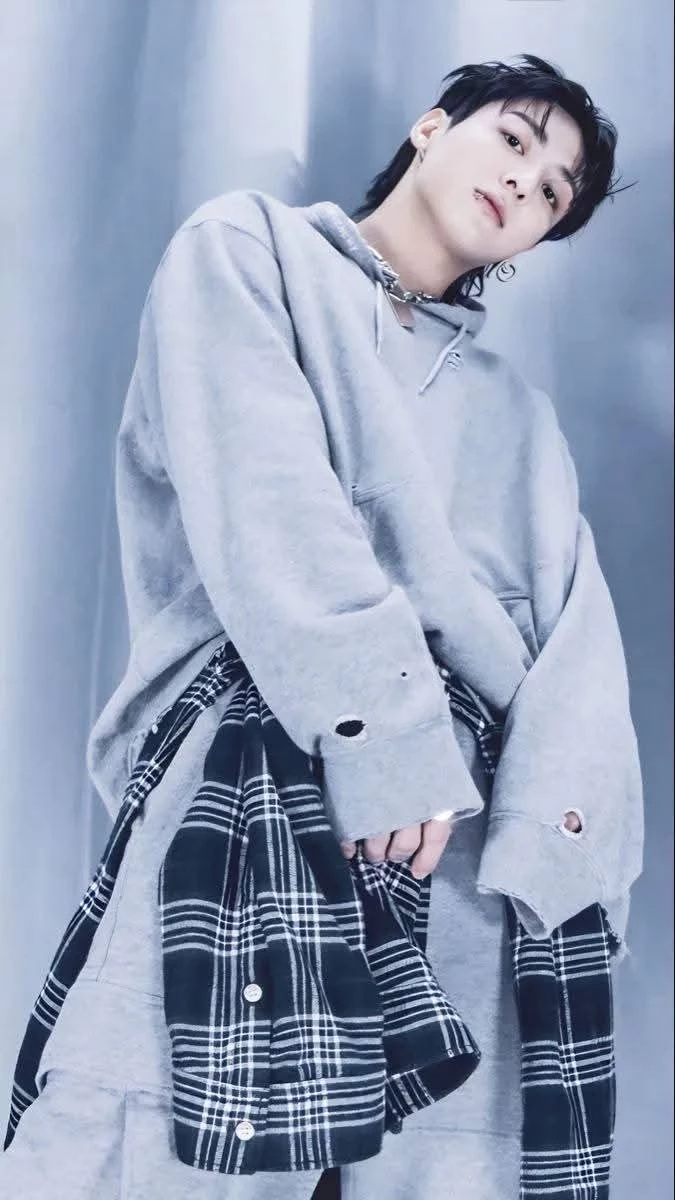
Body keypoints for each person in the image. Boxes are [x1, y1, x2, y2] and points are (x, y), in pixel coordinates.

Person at [0, 53, 643, 1200]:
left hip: (475, 834)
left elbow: (577, 644)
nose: (527, 182)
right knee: (155, 1147)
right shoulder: (247, 251)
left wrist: (563, 863)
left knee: (450, 1172)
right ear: (432, 125)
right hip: (265, 762)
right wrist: (384, 742)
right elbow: (268, 504)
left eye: (555, 191)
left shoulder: (521, 416)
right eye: (514, 139)